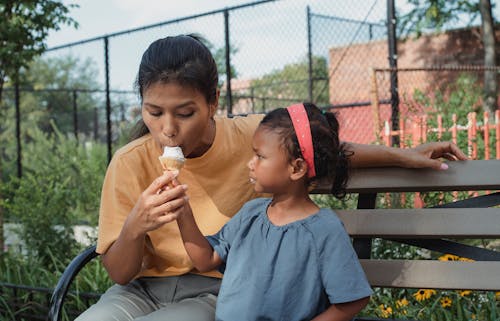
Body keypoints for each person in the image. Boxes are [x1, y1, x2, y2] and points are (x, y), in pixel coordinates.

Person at [75, 34, 467, 321]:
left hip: (217, 293)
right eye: (154, 112)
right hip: (139, 290)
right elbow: (120, 273)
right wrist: (134, 227)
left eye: (184, 112)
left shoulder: (251, 137)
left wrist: (401, 154)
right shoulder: (129, 162)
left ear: (213, 103)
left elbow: (318, 146)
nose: (168, 129)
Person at [175, 102, 373, 321]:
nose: (250, 164)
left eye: (260, 156)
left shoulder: (324, 230)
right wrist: (183, 213)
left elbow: (353, 300)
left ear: (296, 168)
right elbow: (205, 260)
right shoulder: (251, 213)